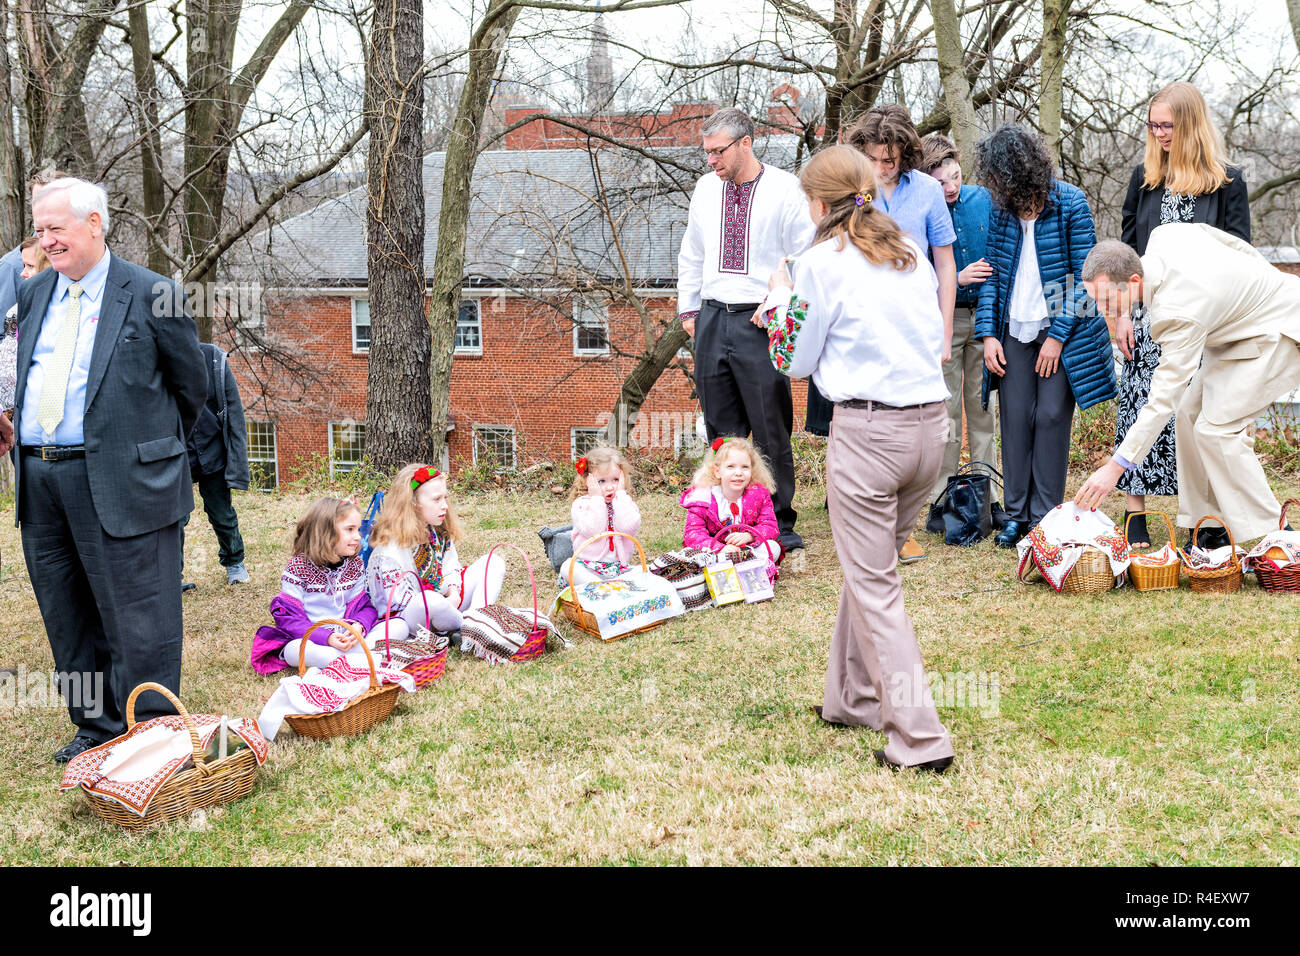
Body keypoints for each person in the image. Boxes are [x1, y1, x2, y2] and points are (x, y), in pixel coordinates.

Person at [761, 144, 953, 772]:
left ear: (816, 203)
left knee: (875, 585)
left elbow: (794, 361)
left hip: (870, 434)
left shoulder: (818, 264)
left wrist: (782, 300)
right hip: (931, 433)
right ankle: (852, 696)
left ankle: (920, 740)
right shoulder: (910, 255)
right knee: (867, 568)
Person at [5, 177, 205, 763]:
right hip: (41, 482)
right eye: (40, 231)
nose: (47, 241)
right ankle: (94, 728)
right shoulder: (36, 294)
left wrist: (142, 453)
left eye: (57, 229)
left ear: (94, 223)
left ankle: (151, 734)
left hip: (123, 480)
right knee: (67, 612)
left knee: (140, 615)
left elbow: (190, 389)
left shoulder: (154, 292)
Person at [1075, 228, 1300, 545]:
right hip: (1237, 334)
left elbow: (1161, 400)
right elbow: (1235, 244)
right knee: (1188, 414)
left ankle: (1280, 534)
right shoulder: (1165, 235)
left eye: (1108, 299)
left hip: (1280, 332)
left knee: (1217, 429)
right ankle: (1209, 526)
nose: (1101, 308)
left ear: (1134, 282)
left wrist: (1115, 468)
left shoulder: (1177, 313)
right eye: (1096, 299)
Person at [1114, 81, 1250, 548]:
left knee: (1196, 418)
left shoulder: (1228, 181)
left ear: (1190, 124)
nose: (1157, 133)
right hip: (1149, 314)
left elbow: (1240, 258)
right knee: (1139, 400)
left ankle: (1205, 521)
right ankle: (1135, 515)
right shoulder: (1143, 178)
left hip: (1205, 321)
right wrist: (1123, 315)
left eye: (1166, 125)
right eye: (1152, 124)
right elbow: (1128, 258)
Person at [677, 107, 815, 553]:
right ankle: (721, 519)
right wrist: (689, 313)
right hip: (712, 316)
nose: (711, 160)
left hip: (761, 318)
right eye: (707, 152)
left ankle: (779, 518)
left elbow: (803, 256)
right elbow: (691, 254)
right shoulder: (704, 189)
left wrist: (779, 304)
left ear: (746, 143)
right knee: (721, 425)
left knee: (769, 423)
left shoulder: (786, 189)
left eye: (719, 151)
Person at [974, 124, 1116, 548]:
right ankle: (1016, 515)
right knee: (1016, 418)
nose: (996, 184)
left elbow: (1085, 279)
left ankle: (1046, 516)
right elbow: (991, 278)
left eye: (1000, 175)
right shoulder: (1001, 212)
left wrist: (1056, 337)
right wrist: (988, 336)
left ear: (1020, 169)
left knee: (1052, 417)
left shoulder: (1070, 201)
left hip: (1062, 334)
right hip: (1013, 329)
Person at [834, 104, 958, 563]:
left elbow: (945, 263)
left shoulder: (927, 190)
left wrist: (945, 332)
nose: (883, 167)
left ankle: (901, 528)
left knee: (916, 425)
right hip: (864, 323)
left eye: (891, 159)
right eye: (875, 158)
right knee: (871, 422)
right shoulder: (850, 192)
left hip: (916, 323)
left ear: (906, 153)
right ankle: (870, 525)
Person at [919, 132, 1002, 535]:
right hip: (942, 321)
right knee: (946, 415)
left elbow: (1002, 257)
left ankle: (988, 499)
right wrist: (952, 279)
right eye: (941, 183)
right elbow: (908, 270)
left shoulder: (983, 199)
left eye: (954, 177)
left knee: (982, 411)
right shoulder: (918, 207)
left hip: (984, 321)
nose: (950, 188)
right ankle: (942, 501)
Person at [250, 497, 400, 674]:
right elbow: (288, 619)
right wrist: (327, 637)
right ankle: (361, 661)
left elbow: (365, 607)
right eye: (350, 529)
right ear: (325, 533)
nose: (358, 536)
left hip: (345, 635)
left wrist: (358, 626)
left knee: (398, 626)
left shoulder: (355, 565)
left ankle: (350, 659)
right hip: (310, 638)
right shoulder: (299, 567)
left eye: (358, 529)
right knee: (295, 650)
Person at [365, 463, 505, 639]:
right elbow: (397, 605)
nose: (445, 505)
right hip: (413, 619)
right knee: (429, 600)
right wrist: (441, 602)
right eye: (437, 499)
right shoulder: (390, 550)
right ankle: (469, 627)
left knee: (493, 562)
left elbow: (451, 567)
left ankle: (473, 623)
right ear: (413, 503)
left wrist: (453, 593)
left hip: (448, 604)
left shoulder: (437, 531)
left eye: (445, 498)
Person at [181, 341, 251, 588]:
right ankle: (171, 576)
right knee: (175, 518)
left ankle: (235, 562)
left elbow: (234, 414)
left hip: (213, 452)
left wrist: (237, 464)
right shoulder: (161, 359)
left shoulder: (213, 360)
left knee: (221, 514)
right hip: (179, 454)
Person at [680, 436, 783, 571]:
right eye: (730, 467)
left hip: (747, 548)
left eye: (745, 467)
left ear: (752, 470)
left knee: (773, 547)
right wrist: (720, 548)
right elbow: (693, 533)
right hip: (716, 551)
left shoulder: (759, 495)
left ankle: (746, 566)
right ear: (718, 471)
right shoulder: (702, 498)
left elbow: (770, 525)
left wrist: (750, 536)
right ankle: (732, 566)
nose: (739, 473)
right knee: (691, 554)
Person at [561, 445, 641, 587]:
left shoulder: (624, 503)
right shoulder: (581, 504)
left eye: (615, 480)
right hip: (588, 567)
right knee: (567, 568)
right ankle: (602, 587)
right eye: (602, 481)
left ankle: (612, 587)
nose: (610, 486)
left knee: (643, 572)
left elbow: (628, 528)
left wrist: (621, 495)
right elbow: (593, 530)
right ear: (588, 480)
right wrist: (597, 498)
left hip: (618, 568)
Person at [0, 168, 71, 324]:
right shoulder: (12, 266)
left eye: (52, 200)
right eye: (38, 201)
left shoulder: (81, 260)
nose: (44, 208)